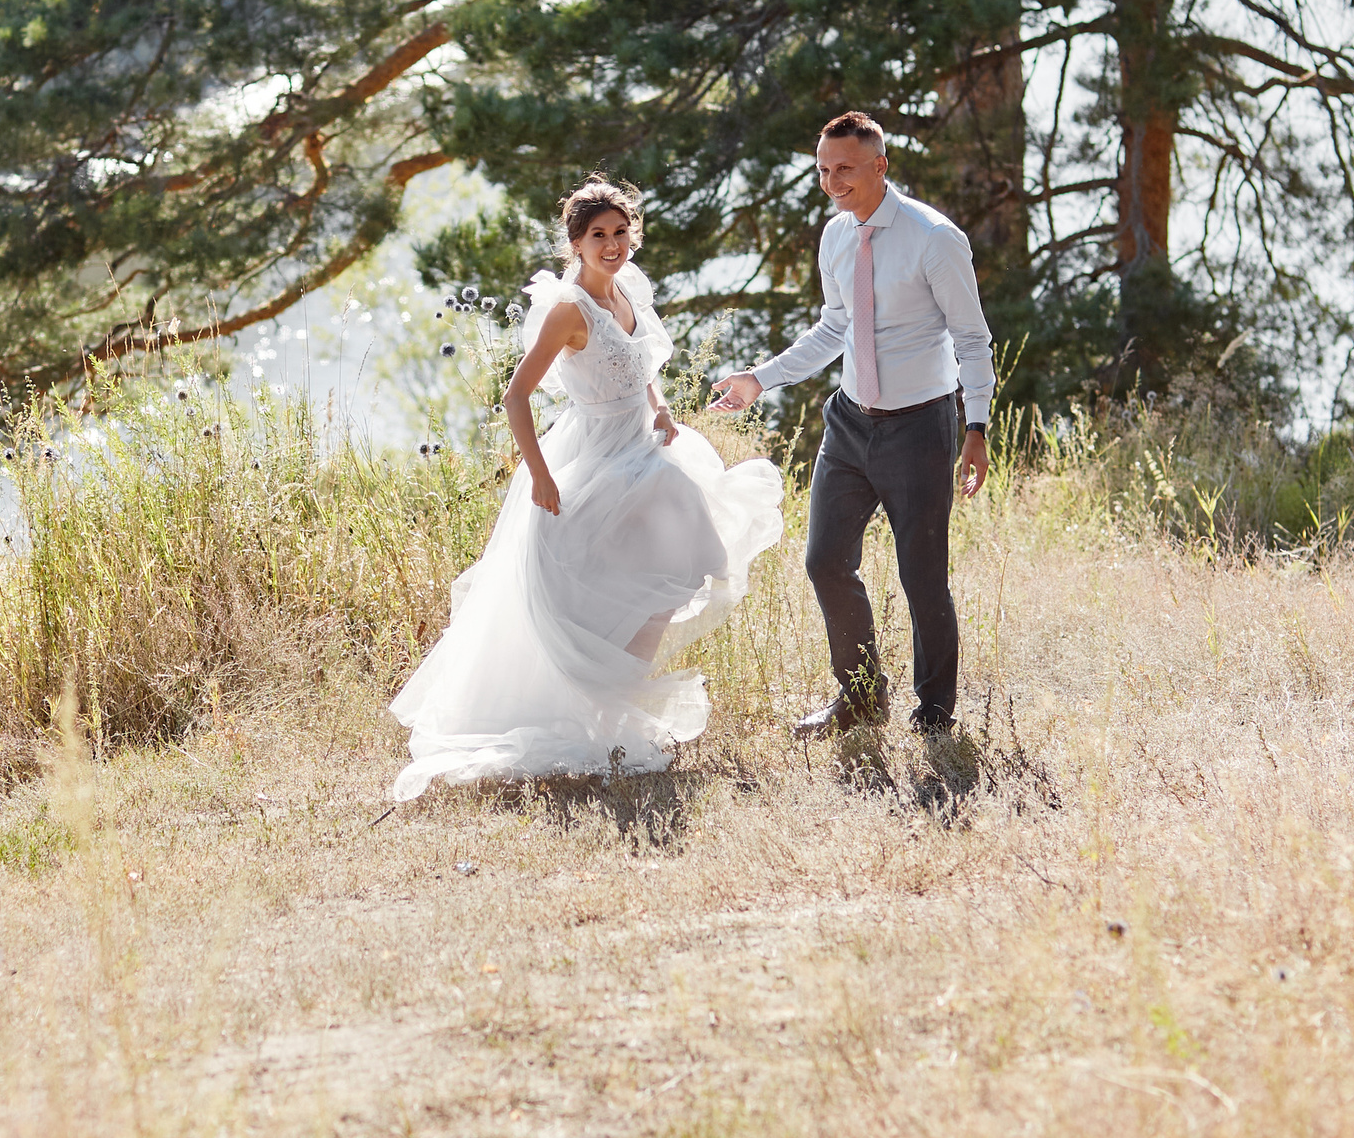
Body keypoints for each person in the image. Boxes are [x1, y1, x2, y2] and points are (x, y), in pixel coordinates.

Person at [386, 179, 784, 800]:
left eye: (621, 233)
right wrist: (541, 474)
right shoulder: (569, 310)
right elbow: (516, 397)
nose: (612, 245)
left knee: (671, 570)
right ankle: (584, 708)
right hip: (593, 453)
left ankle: (617, 704)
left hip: (641, 444)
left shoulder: (629, 288)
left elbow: (639, 362)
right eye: (598, 235)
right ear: (575, 243)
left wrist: (659, 409)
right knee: (604, 577)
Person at [710, 111, 994, 739]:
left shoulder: (933, 238)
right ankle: (861, 698)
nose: (832, 181)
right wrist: (762, 377)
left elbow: (972, 339)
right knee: (824, 560)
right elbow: (833, 328)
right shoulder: (836, 237)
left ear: (879, 166)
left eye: (844, 168)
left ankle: (935, 713)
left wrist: (975, 426)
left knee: (922, 576)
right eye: (822, 169)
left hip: (920, 426)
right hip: (848, 424)